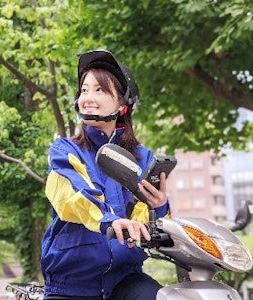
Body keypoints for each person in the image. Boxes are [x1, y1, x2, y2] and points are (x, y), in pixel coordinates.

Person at [41, 50, 171, 300]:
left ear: (123, 103)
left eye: (99, 90)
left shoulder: (142, 158)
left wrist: (159, 207)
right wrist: (109, 220)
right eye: (84, 90)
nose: (88, 97)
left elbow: (150, 224)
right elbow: (73, 196)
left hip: (125, 277)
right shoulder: (65, 150)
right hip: (72, 282)